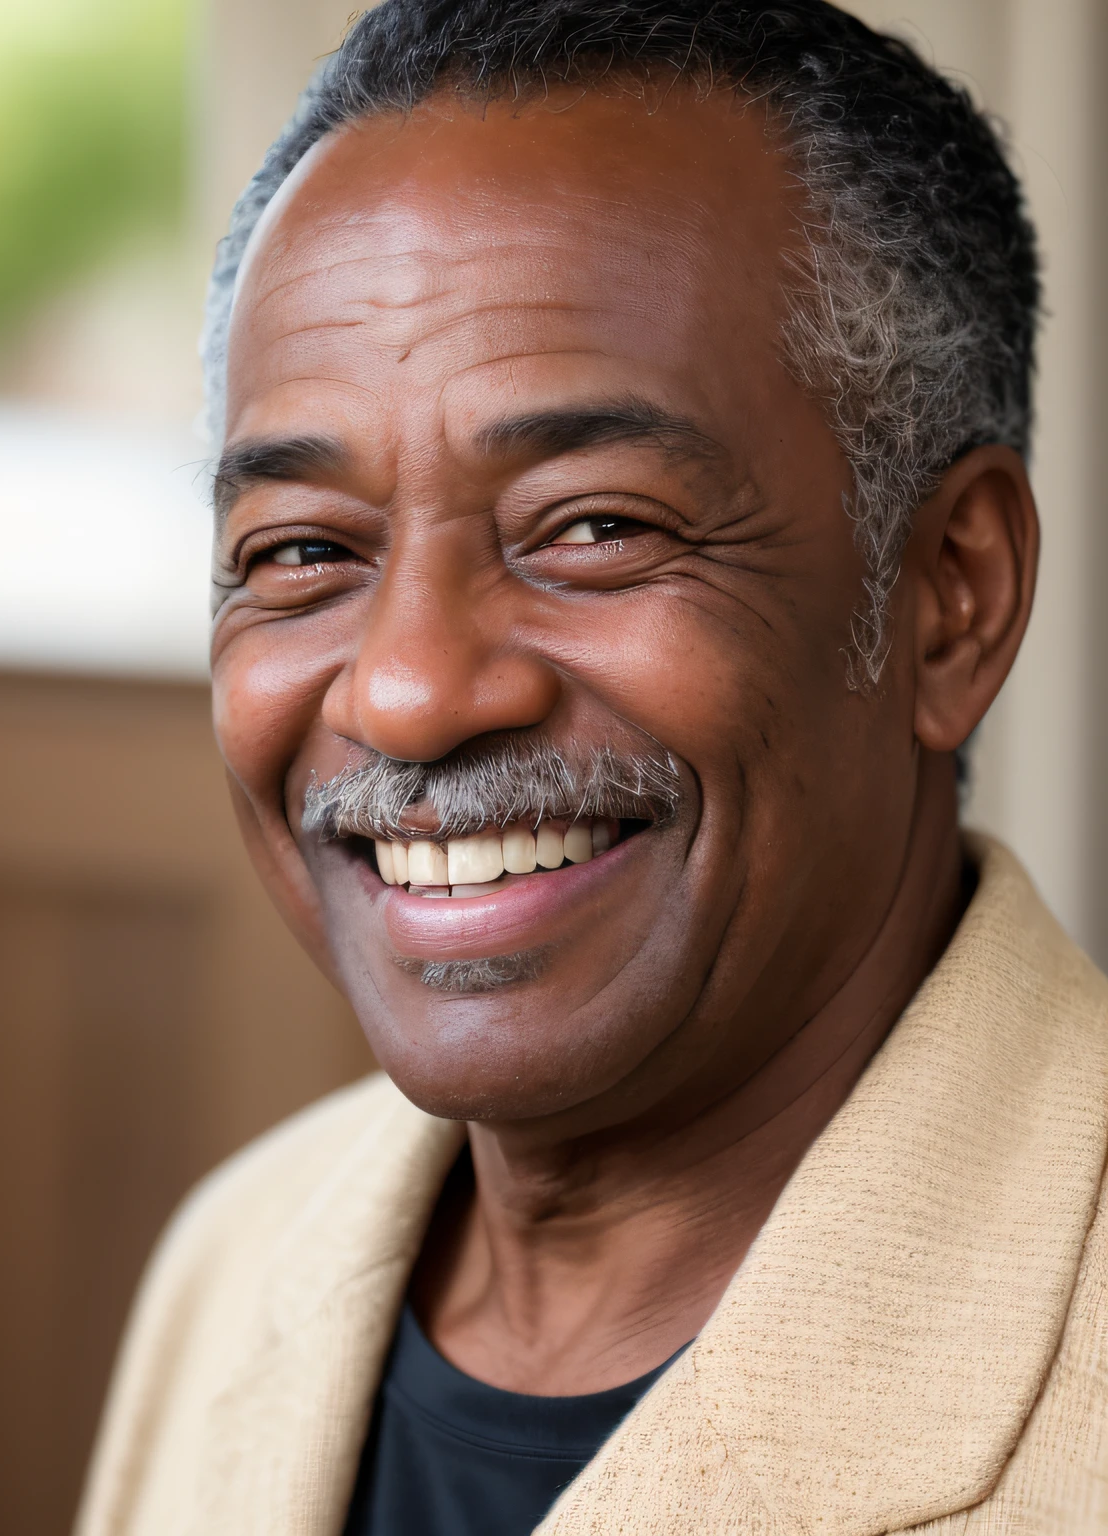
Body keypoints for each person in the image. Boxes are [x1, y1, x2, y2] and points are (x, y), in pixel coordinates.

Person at [76, 2, 1108, 1532]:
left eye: (597, 526)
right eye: (301, 552)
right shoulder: (235, 1265)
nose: (413, 693)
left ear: (950, 595)